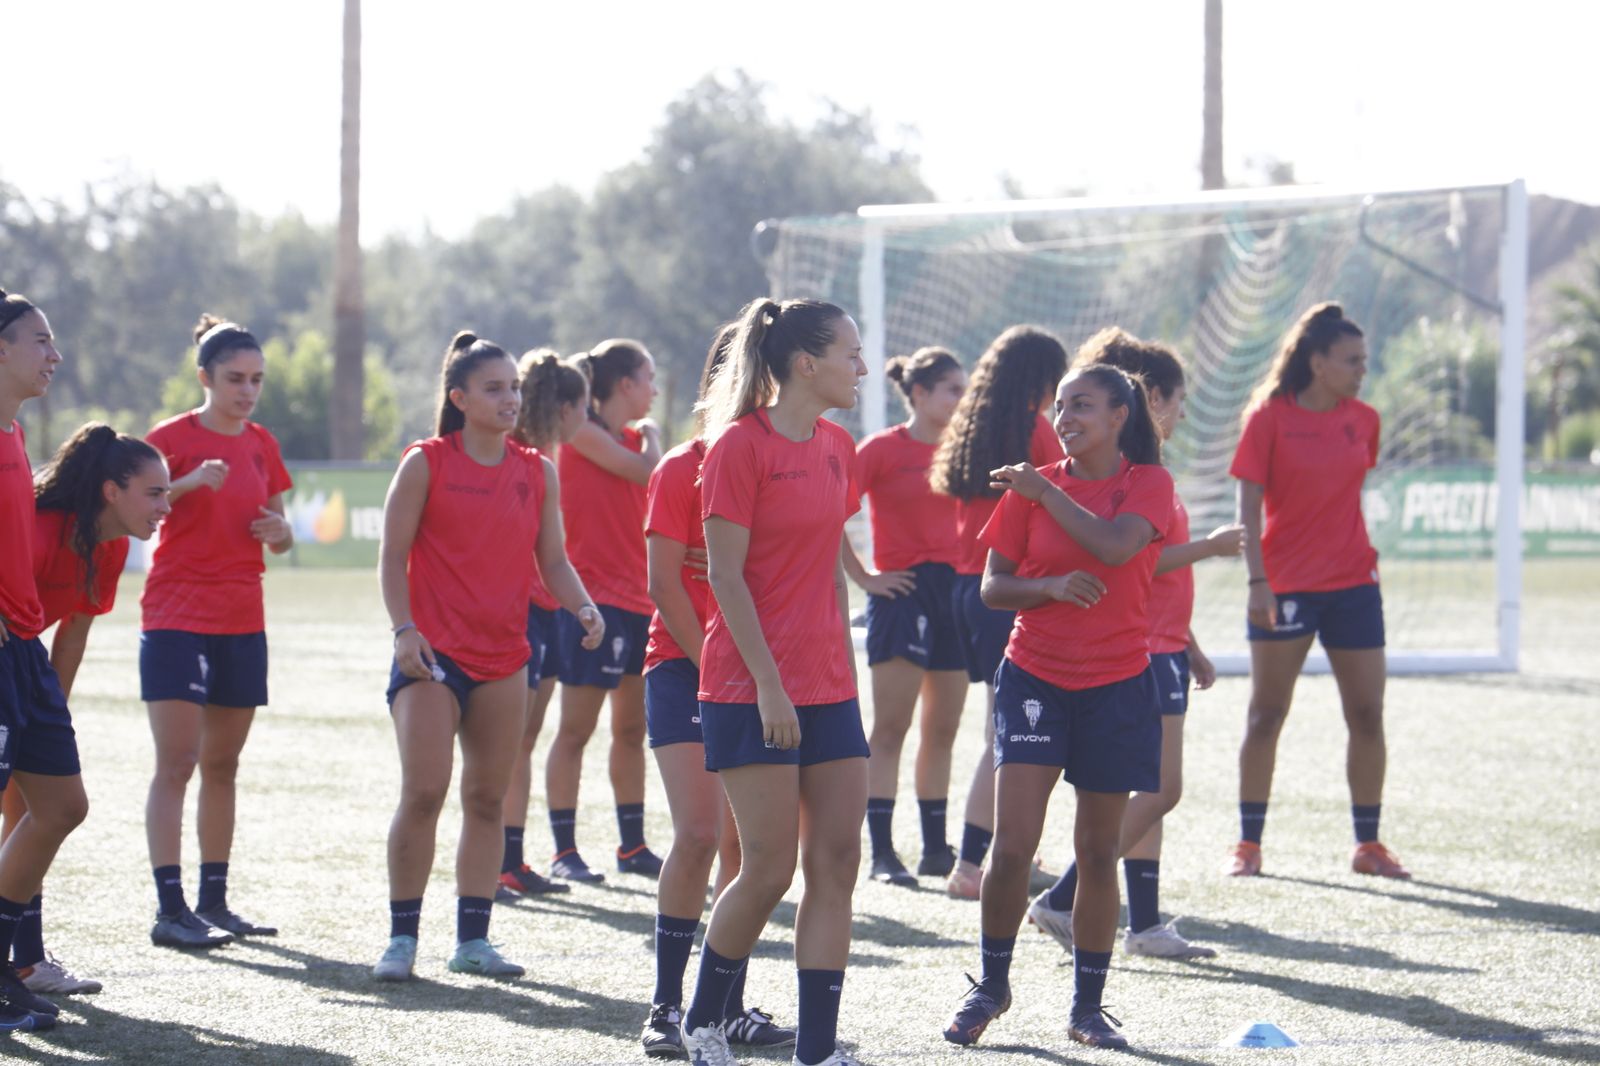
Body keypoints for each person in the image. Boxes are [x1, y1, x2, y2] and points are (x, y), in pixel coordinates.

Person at [943, 362, 1171, 1051]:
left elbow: (1113, 545)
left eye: (1083, 406)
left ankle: (1088, 1007)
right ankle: (991, 985)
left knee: (1098, 853)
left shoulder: (1148, 485)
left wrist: (1046, 491)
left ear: (1119, 417)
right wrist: (1046, 588)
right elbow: (993, 588)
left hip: (1118, 686)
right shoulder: (1032, 489)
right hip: (1035, 679)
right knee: (1011, 849)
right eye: (1062, 406)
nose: (1066, 417)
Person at [374, 332, 604, 982]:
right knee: (423, 792)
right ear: (459, 398)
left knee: (486, 797)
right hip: (433, 658)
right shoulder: (425, 462)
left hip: (507, 657)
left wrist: (584, 607)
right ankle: (402, 939)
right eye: (494, 388)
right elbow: (392, 558)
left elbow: (552, 560)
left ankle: (473, 941)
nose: (510, 399)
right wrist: (404, 629)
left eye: (514, 388)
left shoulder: (537, 471)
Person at [679, 298, 868, 1066]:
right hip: (748, 687)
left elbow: (827, 569)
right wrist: (769, 685)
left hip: (829, 687)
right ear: (805, 364)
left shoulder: (837, 446)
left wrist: (843, 676)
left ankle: (815, 1051)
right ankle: (702, 1022)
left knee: (837, 864)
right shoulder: (737, 449)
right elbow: (724, 576)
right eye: (850, 354)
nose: (860, 367)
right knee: (768, 868)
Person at [1026, 329, 1243, 961]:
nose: (1178, 414)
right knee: (1159, 790)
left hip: (1165, 641)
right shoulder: (1133, 480)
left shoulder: (1148, 476)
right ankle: (1064, 896)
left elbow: (1146, 571)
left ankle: (1143, 922)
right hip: (1139, 647)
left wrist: (1192, 641)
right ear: (1149, 400)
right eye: (1175, 401)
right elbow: (1141, 557)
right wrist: (1209, 546)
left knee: (1146, 790)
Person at [639, 324, 795, 1058]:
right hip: (683, 667)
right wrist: (713, 665)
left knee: (748, 849)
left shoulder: (783, 460)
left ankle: (725, 1006)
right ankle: (667, 1008)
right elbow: (665, 582)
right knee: (699, 834)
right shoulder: (682, 466)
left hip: (758, 674)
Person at [1224, 303, 1407, 879]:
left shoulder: (1364, 419)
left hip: (1355, 582)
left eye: (1364, 360)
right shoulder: (1268, 418)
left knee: (1368, 714)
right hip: (1284, 585)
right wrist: (1257, 581)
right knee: (1266, 715)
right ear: (1317, 361)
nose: (1361, 370)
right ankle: (1248, 846)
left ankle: (1368, 845)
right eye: (1352, 360)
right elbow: (1248, 507)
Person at [0, 424, 170, 996]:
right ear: (111, 491)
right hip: (9, 663)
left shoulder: (113, 545)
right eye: (154, 493)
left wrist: (48, 719)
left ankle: (23, 962)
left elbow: (71, 637)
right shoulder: (44, 530)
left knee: (44, 808)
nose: (166, 507)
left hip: (27, 675)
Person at [141, 314, 293, 949]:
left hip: (241, 618)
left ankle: (214, 902)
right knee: (176, 763)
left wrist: (279, 534)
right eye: (235, 378)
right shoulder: (167, 439)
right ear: (204, 377)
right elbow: (133, 517)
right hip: (176, 616)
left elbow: (282, 531)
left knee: (223, 764)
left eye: (256, 379)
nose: (247, 390)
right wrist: (183, 484)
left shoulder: (261, 441)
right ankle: (170, 910)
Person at [928, 326, 1067, 900]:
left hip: (968, 590)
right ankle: (969, 864)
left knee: (1003, 732)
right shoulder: (1033, 431)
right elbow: (1070, 496)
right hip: (1005, 593)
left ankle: (1007, 852)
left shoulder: (970, 426)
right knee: (1004, 736)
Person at [842, 347, 969, 887]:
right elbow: (829, 515)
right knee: (891, 727)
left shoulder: (966, 451)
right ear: (919, 394)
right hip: (902, 592)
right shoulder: (880, 450)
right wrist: (866, 579)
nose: (962, 401)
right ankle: (882, 853)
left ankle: (936, 849)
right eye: (952, 390)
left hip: (956, 594)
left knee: (942, 728)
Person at [545, 339, 663, 882]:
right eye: (648, 378)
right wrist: (656, 439)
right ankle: (564, 850)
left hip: (638, 600)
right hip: (594, 601)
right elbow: (649, 474)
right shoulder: (585, 434)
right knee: (576, 730)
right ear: (623, 385)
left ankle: (631, 846)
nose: (655, 390)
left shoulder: (629, 438)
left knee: (630, 730)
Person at [0, 288, 81, 1033]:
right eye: (39, 340)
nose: (53, 354)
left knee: (61, 807)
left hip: (23, 651)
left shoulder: (17, 435)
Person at [496, 349, 591, 901]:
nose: (587, 418)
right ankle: (496, 860)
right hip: (521, 613)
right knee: (506, 745)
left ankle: (512, 859)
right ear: (564, 407)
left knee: (524, 742)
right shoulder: (516, 458)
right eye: (582, 407)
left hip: (550, 611)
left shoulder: (544, 461)